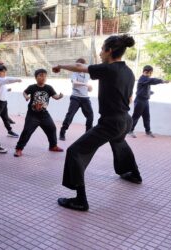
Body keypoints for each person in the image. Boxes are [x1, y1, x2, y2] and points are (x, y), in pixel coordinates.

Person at [52, 34, 142, 212]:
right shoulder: (129, 72)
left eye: (102, 49)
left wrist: (60, 66)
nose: (100, 53)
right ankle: (133, 174)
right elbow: (130, 98)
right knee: (118, 141)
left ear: (109, 51)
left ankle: (80, 200)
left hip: (112, 121)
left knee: (75, 151)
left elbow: (79, 66)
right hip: (125, 119)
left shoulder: (109, 69)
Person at [14, 69, 64, 157]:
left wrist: (59, 97)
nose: (43, 78)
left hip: (44, 114)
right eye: (41, 75)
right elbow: (25, 92)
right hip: (32, 115)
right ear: (36, 77)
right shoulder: (32, 87)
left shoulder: (49, 88)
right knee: (27, 131)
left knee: (52, 128)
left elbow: (55, 96)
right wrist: (26, 97)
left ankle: (53, 146)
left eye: (45, 76)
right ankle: (19, 149)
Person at [128, 65, 169, 138]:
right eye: (150, 73)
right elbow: (152, 81)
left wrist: (149, 92)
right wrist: (161, 81)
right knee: (136, 116)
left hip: (145, 101)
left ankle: (148, 131)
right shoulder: (143, 78)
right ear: (147, 72)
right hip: (140, 101)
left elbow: (145, 87)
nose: (151, 74)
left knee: (146, 116)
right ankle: (130, 131)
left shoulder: (146, 80)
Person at [59, 58, 94, 141]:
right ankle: (62, 132)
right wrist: (86, 84)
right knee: (70, 115)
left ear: (83, 66)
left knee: (90, 116)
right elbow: (74, 82)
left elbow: (88, 89)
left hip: (85, 98)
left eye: (78, 66)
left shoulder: (87, 74)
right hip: (75, 97)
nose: (76, 67)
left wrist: (90, 88)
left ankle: (87, 135)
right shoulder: (74, 73)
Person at [0, 65, 20, 138]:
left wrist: (7, 90)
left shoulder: (2, 80)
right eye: (3, 72)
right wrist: (17, 79)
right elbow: (7, 80)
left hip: (4, 103)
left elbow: (0, 89)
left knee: (5, 118)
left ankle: (10, 131)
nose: (5, 73)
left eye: (5, 72)